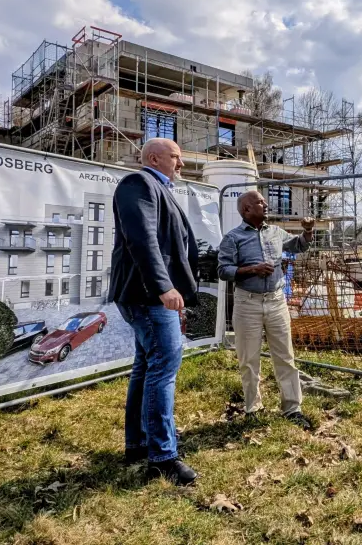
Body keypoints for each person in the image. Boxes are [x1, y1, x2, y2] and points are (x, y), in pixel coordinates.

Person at [110, 137, 199, 485]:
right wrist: (163, 287)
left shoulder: (159, 188)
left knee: (146, 366)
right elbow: (142, 238)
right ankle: (162, 457)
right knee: (163, 367)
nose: (181, 164)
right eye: (176, 156)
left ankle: (138, 444)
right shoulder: (138, 182)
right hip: (148, 295)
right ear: (153, 158)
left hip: (148, 294)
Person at [217, 190, 314, 428]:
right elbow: (223, 270)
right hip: (247, 303)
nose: (266, 204)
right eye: (260, 202)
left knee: (285, 356)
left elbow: (298, 245)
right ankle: (253, 407)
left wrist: (308, 231)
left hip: (276, 301)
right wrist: (252, 270)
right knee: (249, 359)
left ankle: (292, 408)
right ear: (246, 209)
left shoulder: (276, 232)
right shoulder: (233, 238)